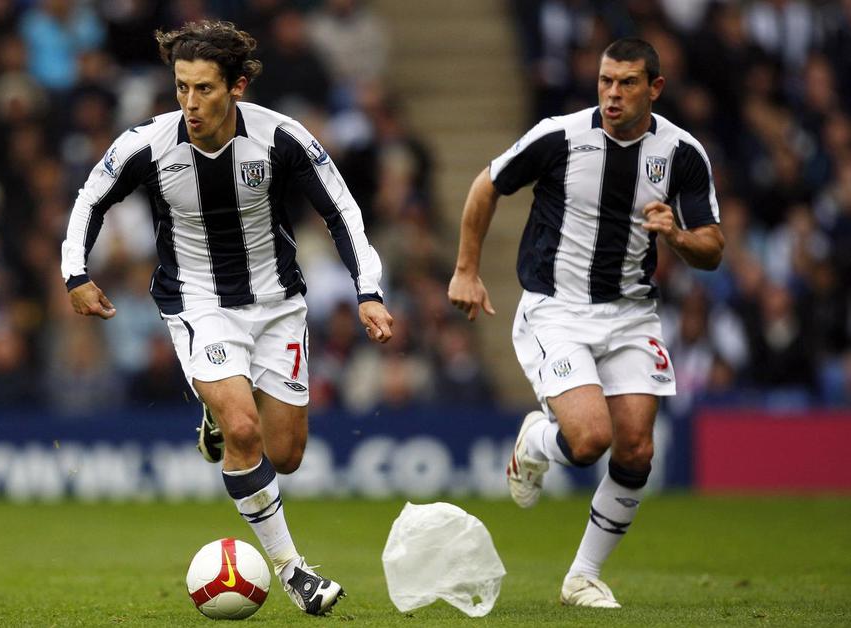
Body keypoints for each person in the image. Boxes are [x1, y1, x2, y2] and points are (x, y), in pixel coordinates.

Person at [61, 20, 393, 615]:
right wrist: (75, 274)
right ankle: (293, 570)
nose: (189, 103)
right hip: (198, 304)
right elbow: (91, 197)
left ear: (236, 86)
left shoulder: (281, 137)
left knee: (284, 454)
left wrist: (367, 291)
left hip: (278, 307)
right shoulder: (148, 143)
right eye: (181, 87)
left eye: (204, 89)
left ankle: (217, 416)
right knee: (244, 431)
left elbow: (341, 209)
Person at [448, 38, 723, 608]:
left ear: (655, 88)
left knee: (637, 450)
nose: (612, 94)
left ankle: (582, 577)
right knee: (590, 439)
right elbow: (486, 185)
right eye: (605, 81)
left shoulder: (682, 153)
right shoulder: (559, 136)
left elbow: (712, 247)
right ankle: (535, 441)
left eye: (627, 83)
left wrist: (675, 235)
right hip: (558, 309)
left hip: (632, 314)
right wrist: (467, 270)